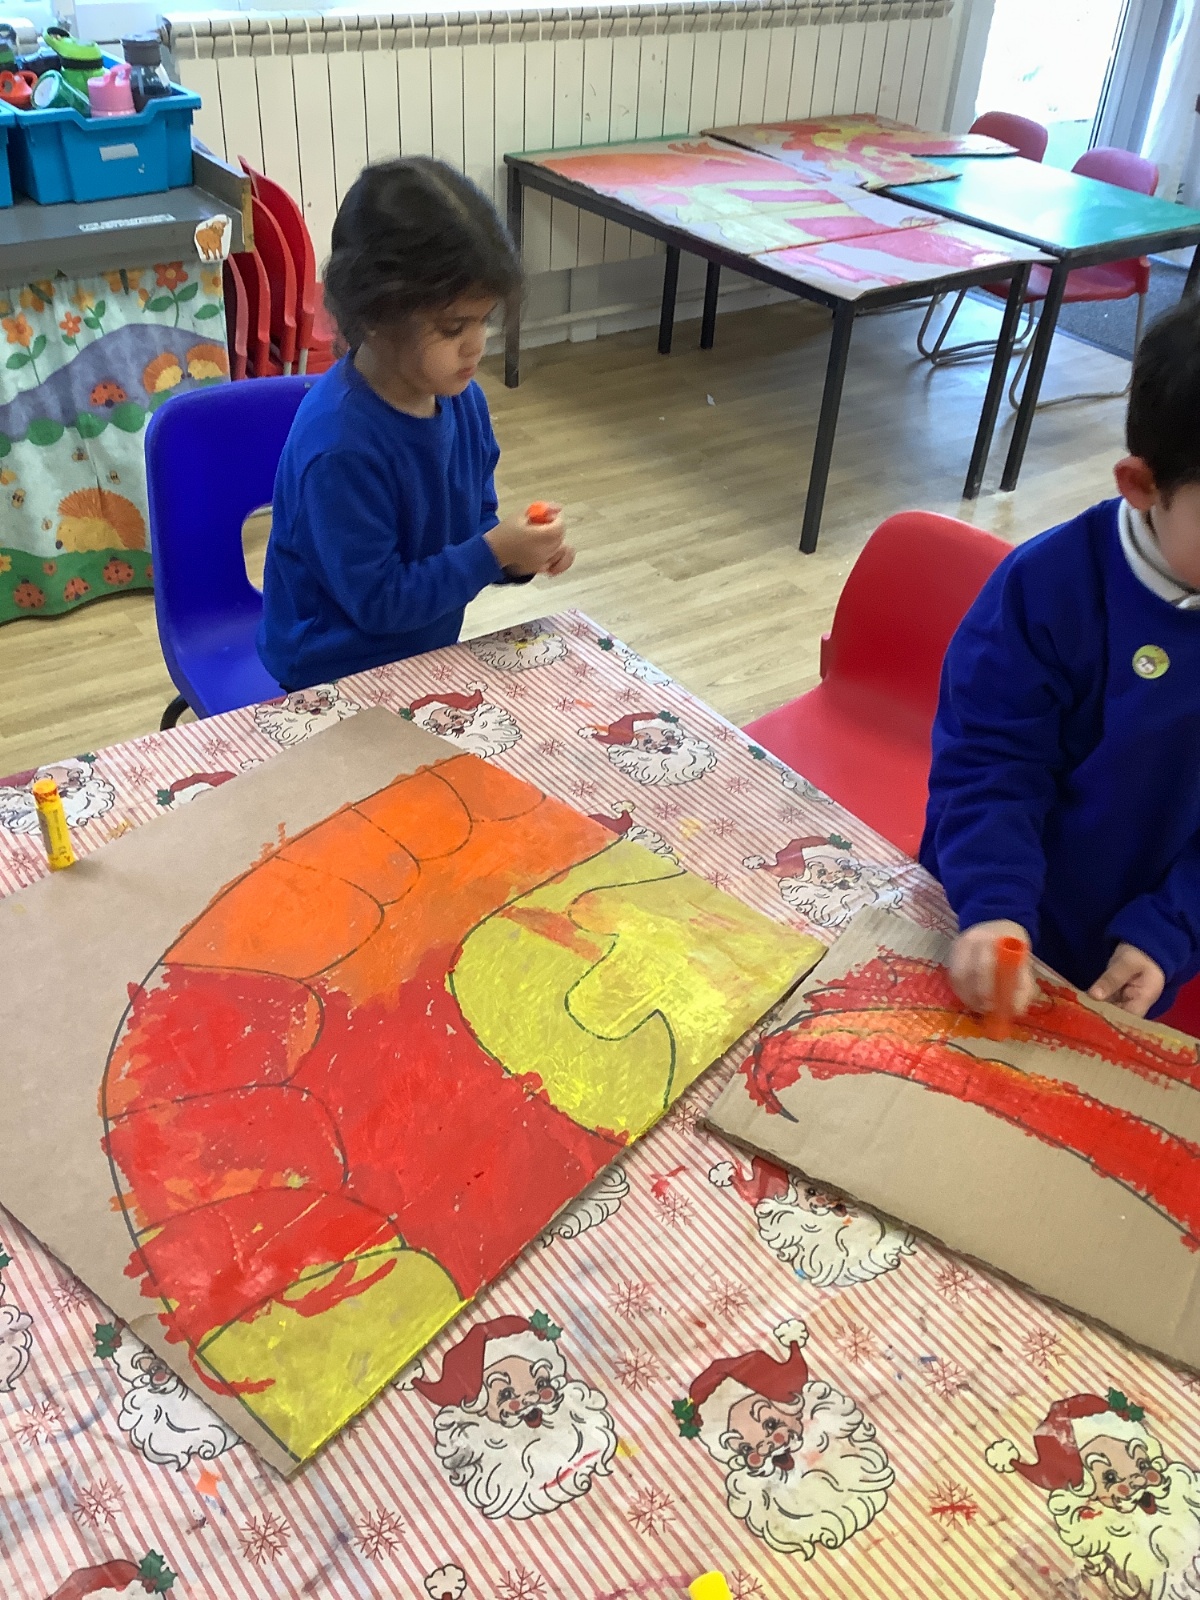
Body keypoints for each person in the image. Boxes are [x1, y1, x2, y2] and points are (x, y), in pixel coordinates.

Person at [922, 299, 1200, 1021]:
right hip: (986, 915)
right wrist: (993, 904)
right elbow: (989, 761)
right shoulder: (1047, 589)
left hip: (1133, 955)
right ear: (1141, 486)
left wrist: (1170, 930)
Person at [257, 158, 573, 691]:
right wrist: (494, 551)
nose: (477, 345)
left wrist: (518, 556)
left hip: (420, 654)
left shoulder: (462, 401)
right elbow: (379, 602)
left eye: (484, 320)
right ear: (376, 315)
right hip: (329, 676)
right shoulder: (340, 447)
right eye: (453, 327)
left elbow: (473, 528)